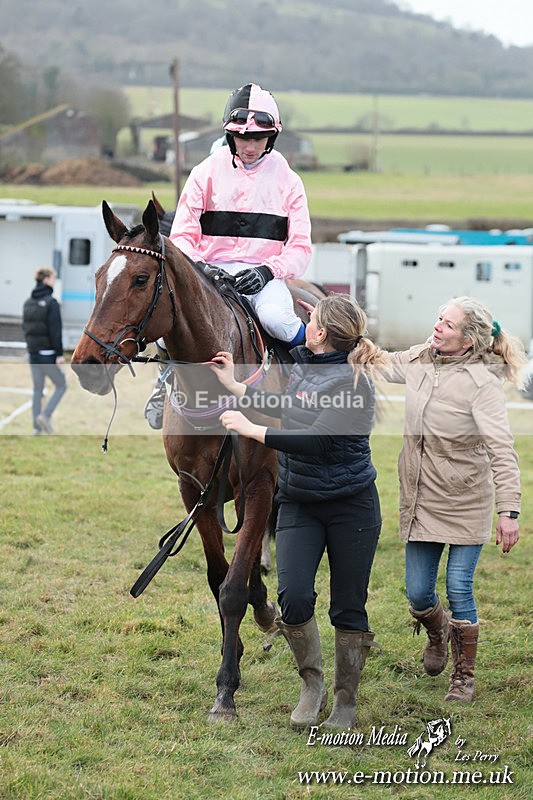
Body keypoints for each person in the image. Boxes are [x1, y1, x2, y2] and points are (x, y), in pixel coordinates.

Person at [210, 294, 390, 730]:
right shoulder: (302, 368)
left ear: (323, 333)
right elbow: (290, 408)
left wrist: (252, 428)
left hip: (352, 507)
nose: (305, 321)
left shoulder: (353, 382)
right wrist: (238, 387)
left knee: (348, 607)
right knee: (293, 599)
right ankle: (312, 686)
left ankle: (345, 701)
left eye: (310, 318)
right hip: (300, 502)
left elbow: (318, 438)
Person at [144, 83, 312, 429]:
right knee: (165, 326)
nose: (250, 146)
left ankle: (306, 380)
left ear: (272, 137)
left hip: (263, 276)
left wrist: (268, 271)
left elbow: (300, 248)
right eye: (242, 138)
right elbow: (183, 236)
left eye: (258, 138)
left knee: (277, 320)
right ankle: (164, 385)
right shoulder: (204, 172)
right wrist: (200, 268)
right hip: (209, 272)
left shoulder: (289, 181)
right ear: (230, 136)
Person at [387, 296, 526, 702]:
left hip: (466, 498)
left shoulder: (483, 384)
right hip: (422, 497)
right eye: (439, 319)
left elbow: (502, 449)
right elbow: (379, 361)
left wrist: (509, 512)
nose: (437, 327)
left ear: (467, 341)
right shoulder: (420, 358)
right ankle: (436, 631)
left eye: (447, 324)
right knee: (417, 593)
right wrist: (338, 333)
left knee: (458, 586)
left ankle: (463, 676)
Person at [22, 267, 67, 435]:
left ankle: (36, 428)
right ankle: (45, 416)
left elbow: (25, 329)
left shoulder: (27, 302)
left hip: (33, 354)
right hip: (47, 355)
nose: (54, 281)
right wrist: (59, 354)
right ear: (46, 279)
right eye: (53, 278)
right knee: (62, 385)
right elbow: (56, 331)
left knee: (37, 390)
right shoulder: (51, 302)